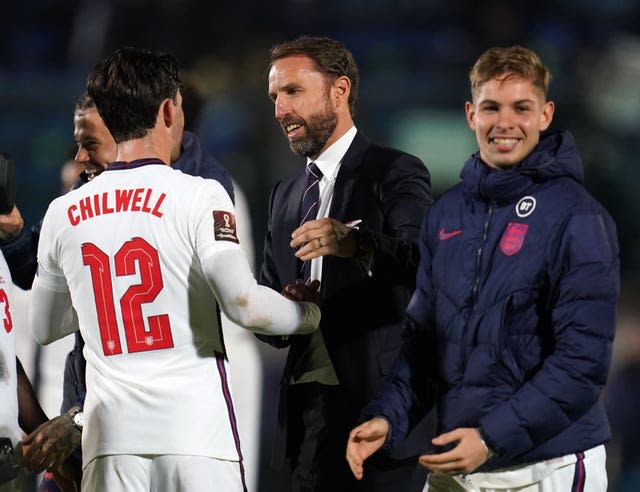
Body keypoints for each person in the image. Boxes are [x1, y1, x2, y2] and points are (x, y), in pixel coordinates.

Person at [28, 46, 320, 492]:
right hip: (195, 438)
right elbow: (246, 308)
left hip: (111, 445)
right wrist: (311, 315)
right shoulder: (200, 195)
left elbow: (45, 327)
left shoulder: (64, 211)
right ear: (169, 109)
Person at [346, 45, 619, 492]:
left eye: (521, 108)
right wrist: (387, 417)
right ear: (471, 114)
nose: (505, 123)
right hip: (461, 465)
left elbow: (581, 365)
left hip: (547, 468)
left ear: (545, 115)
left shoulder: (579, 218)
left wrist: (491, 438)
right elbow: (424, 344)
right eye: (491, 107)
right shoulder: (447, 215)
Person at [0, 88, 238, 489]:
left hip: (158, 430)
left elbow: (149, 351)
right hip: (88, 414)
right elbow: (42, 277)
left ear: (130, 138)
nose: (79, 159)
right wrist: (21, 237)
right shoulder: (91, 188)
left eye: (90, 144)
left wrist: (75, 420)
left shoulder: (198, 192)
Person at [259, 35, 433, 491]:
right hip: (305, 427)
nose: (280, 110)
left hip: (377, 416)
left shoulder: (395, 171)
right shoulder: (284, 196)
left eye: (293, 91)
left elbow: (423, 263)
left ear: (340, 90)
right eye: (275, 97)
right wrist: (285, 309)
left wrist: (357, 243)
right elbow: (266, 310)